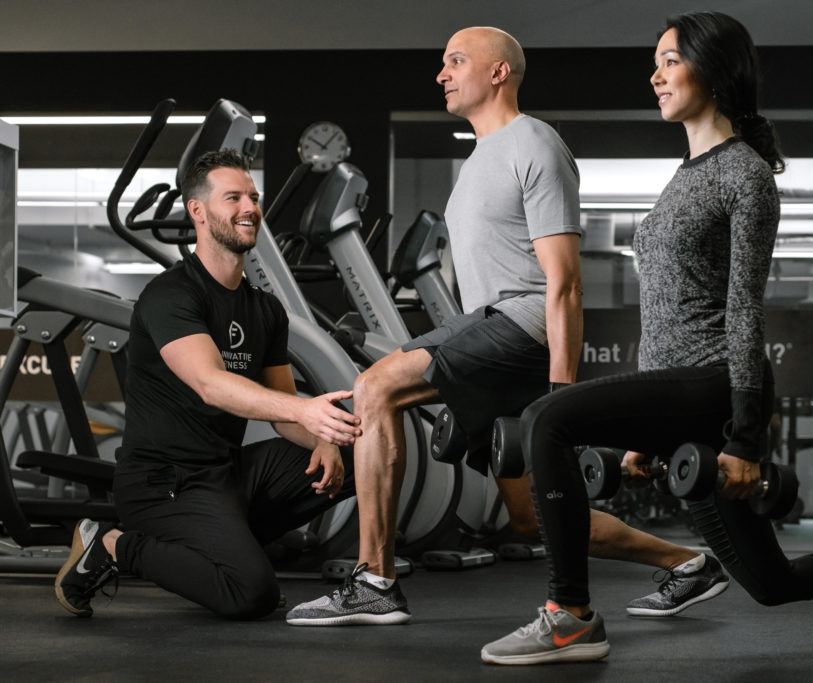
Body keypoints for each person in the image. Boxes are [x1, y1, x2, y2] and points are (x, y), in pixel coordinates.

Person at [481, 11, 813, 665]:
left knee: (547, 417)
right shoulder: (686, 174)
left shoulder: (745, 175)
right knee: (771, 582)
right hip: (678, 394)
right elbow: (661, 315)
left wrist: (743, 437)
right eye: (655, 61)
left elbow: (743, 310)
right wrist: (641, 438)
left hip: (715, 384)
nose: (655, 74)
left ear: (715, 69)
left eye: (670, 60)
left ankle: (569, 614)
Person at [286, 25, 728, 627]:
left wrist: (562, 397)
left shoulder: (534, 145)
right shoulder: (478, 160)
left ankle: (375, 582)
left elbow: (565, 282)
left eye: (456, 61)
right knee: (532, 516)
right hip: (494, 329)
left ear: (499, 72)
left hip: (521, 326)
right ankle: (689, 565)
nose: (442, 73)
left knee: (377, 387)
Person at [54, 149, 361, 620]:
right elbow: (210, 384)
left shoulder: (265, 310)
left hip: (226, 473)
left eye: (253, 198)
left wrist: (323, 437)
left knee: (360, 452)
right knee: (251, 594)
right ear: (198, 211)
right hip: (163, 483)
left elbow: (282, 410)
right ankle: (111, 544)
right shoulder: (171, 294)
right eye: (233, 197)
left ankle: (232, 546)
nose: (249, 208)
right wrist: (307, 411)